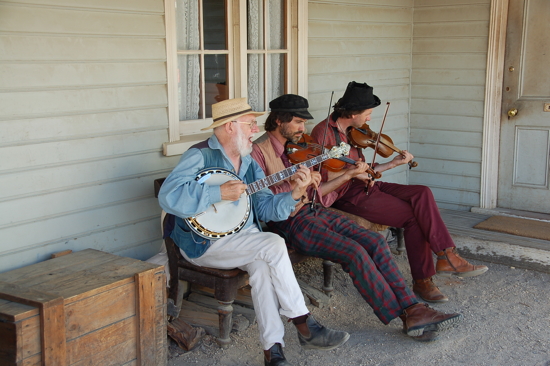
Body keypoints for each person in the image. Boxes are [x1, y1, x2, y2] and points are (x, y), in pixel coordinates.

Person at [250, 94, 463, 343]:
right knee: (354, 252)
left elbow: (314, 194)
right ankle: (404, 316)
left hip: (313, 210)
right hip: (288, 222)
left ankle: (413, 307)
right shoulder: (258, 152)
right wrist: (297, 189)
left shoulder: (297, 147)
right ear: (278, 121)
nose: (302, 129)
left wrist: (315, 183)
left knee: (374, 241)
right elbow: (261, 204)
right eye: (298, 122)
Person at [158, 98, 351, 366]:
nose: (254, 130)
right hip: (205, 244)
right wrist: (217, 192)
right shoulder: (199, 155)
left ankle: (273, 351)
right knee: (272, 243)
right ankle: (304, 324)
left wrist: (294, 194)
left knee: (262, 269)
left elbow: (264, 208)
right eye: (249, 125)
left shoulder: (248, 163)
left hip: (244, 239)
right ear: (229, 127)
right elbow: (168, 196)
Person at [310, 81, 489, 303]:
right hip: (346, 194)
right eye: (367, 113)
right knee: (414, 219)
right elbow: (322, 177)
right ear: (353, 113)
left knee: (422, 192)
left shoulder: (354, 132)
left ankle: (446, 254)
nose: (369, 119)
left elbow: (367, 172)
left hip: (366, 184)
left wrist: (392, 164)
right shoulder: (323, 133)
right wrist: (354, 174)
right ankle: (423, 281)